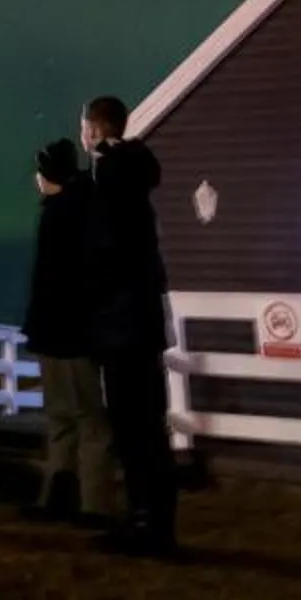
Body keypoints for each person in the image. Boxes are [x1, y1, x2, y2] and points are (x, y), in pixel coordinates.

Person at [78, 93, 178, 555]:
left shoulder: (111, 179)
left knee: (134, 427)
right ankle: (152, 521)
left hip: (122, 323)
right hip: (139, 320)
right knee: (146, 427)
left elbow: (105, 253)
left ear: (94, 129)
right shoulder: (134, 175)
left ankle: (147, 526)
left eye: (85, 127)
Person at [19, 138, 119, 524]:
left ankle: (90, 505)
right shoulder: (84, 209)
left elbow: (55, 282)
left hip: (64, 334)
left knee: (79, 420)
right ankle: (74, 500)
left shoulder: (62, 215)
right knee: (77, 418)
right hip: (71, 334)